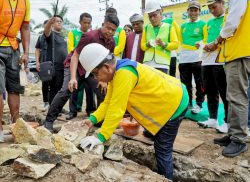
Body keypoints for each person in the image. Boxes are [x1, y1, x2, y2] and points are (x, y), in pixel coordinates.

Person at [78, 43, 189, 181]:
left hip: (175, 103)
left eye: (95, 73)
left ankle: (166, 178)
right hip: (170, 96)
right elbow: (108, 102)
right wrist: (93, 119)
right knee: (154, 134)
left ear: (106, 67)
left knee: (162, 148)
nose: (96, 78)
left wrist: (101, 137)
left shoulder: (124, 74)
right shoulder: (117, 72)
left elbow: (116, 109)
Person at [44, 15, 119, 132]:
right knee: (66, 90)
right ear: (103, 24)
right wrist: (73, 78)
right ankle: (48, 121)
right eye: (108, 28)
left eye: (113, 30)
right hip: (76, 66)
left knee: (103, 90)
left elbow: (108, 62)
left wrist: (103, 80)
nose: (110, 32)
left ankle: (100, 120)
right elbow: (75, 56)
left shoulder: (112, 42)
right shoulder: (89, 36)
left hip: (92, 69)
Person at [206, 0, 250, 157]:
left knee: (237, 97)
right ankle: (233, 134)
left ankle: (239, 140)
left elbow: (232, 23)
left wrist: (216, 41)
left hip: (240, 53)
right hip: (235, 54)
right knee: (232, 96)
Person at [0, 0, 30, 143]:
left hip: (13, 48)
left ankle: (14, 127)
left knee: (14, 88)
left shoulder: (24, 0)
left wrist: (25, 52)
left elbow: (25, 27)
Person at [198, 0, 228, 133]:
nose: (211, 10)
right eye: (209, 8)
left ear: (222, 3)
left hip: (221, 60)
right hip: (207, 61)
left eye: (214, 7)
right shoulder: (208, 23)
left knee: (224, 92)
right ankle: (213, 118)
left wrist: (214, 44)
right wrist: (202, 45)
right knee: (210, 90)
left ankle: (228, 122)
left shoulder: (228, 18)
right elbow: (206, 40)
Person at [67, 12, 95, 119]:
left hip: (89, 65)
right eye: (84, 22)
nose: (86, 25)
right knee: (74, 88)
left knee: (90, 88)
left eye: (89, 23)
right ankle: (72, 111)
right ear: (79, 22)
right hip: (77, 65)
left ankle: (90, 110)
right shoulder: (73, 33)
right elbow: (71, 49)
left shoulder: (92, 34)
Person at [179, 1, 206, 114]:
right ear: (188, 12)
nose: (193, 12)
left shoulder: (203, 24)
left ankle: (199, 104)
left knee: (199, 82)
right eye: (191, 10)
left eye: (195, 10)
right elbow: (180, 41)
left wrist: (201, 43)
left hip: (197, 58)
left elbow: (206, 39)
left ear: (199, 11)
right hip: (184, 58)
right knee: (185, 83)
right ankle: (188, 104)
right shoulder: (183, 26)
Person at [141, 1, 179, 74]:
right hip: (148, 64)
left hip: (163, 64)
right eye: (150, 16)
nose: (152, 18)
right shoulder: (146, 28)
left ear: (160, 14)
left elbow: (175, 45)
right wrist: (147, 44)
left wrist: (164, 44)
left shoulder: (169, 27)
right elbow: (142, 46)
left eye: (154, 15)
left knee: (161, 85)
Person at [43, 15, 67, 105]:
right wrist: (49, 22)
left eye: (61, 21)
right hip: (54, 66)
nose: (60, 22)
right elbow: (46, 31)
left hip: (63, 66)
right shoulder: (50, 34)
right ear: (52, 23)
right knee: (54, 88)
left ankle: (58, 108)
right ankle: (52, 107)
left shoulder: (63, 37)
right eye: (57, 21)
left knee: (61, 88)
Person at [35, 20, 49, 111]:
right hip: (43, 63)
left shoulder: (56, 37)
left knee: (55, 84)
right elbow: (37, 50)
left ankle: (54, 103)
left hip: (54, 64)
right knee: (45, 84)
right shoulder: (40, 37)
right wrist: (37, 62)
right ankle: (46, 102)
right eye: (46, 26)